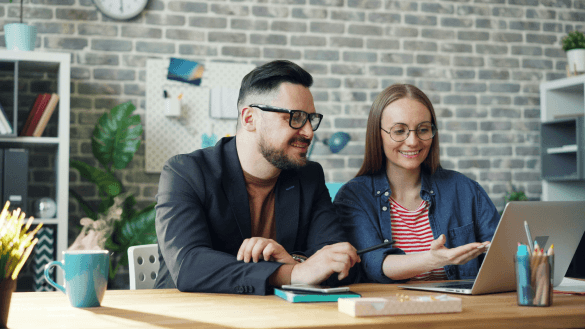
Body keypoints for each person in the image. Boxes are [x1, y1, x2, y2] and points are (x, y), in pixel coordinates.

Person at [154, 60, 360, 295]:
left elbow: (340, 261)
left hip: (275, 316)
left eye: (310, 119)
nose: (308, 132)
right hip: (189, 315)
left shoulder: (308, 176)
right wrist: (290, 273)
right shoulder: (186, 172)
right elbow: (189, 265)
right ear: (249, 118)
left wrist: (292, 261)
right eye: (295, 117)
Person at [334, 84, 499, 284]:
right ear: (378, 135)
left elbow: (502, 255)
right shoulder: (354, 196)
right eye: (399, 131)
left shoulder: (465, 189)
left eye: (423, 129)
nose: (413, 141)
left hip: (462, 310)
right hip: (391, 310)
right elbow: (374, 263)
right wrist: (431, 260)